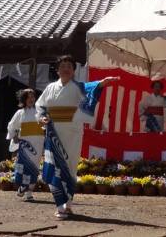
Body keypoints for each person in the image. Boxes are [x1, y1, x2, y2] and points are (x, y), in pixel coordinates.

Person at [37, 55, 119, 220]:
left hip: (73, 132)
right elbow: (40, 106)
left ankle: (68, 204)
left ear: (73, 70)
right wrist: (42, 117)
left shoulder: (78, 87)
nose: (66, 68)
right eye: (63, 65)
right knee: (55, 166)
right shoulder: (50, 87)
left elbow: (92, 88)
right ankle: (59, 206)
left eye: (69, 66)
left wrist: (103, 82)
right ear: (58, 69)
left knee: (70, 166)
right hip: (54, 133)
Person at [7, 88, 44, 202]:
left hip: (37, 144)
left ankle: (29, 193)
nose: (31, 99)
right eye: (28, 97)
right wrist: (14, 136)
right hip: (25, 145)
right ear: (24, 99)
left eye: (33, 97)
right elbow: (12, 126)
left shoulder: (41, 112)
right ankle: (23, 186)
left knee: (34, 168)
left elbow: (47, 124)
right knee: (24, 167)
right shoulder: (20, 113)